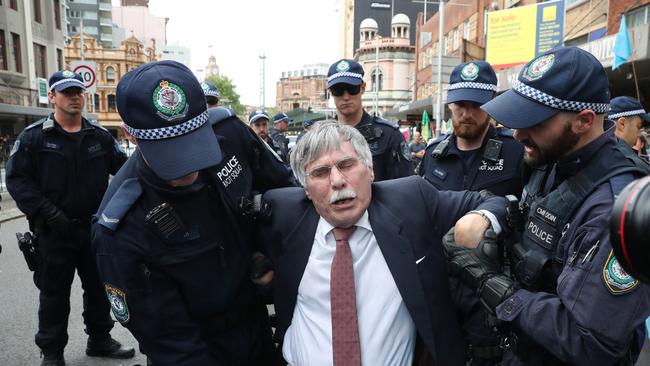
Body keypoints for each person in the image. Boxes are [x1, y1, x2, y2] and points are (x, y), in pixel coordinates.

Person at [444, 46, 650, 365]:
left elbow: (589, 341)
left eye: (534, 121)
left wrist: (492, 285)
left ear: (583, 121)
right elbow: (524, 206)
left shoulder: (614, 206)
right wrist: (490, 216)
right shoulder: (552, 158)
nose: (518, 133)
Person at [256, 120, 508, 365]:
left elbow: (495, 202)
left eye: (346, 164)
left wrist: (479, 220)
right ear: (306, 189)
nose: (337, 181)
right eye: (320, 172)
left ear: (370, 170)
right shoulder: (281, 214)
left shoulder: (411, 201)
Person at [92, 61, 278, 365]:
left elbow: (284, 193)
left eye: (193, 144)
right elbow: (171, 343)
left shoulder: (230, 134)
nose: (189, 167)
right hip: (198, 348)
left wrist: (269, 252)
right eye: (169, 153)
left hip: (258, 327)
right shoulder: (121, 227)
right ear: (131, 135)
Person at [6, 70, 132, 366]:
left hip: (93, 229)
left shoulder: (99, 137)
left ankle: (100, 339)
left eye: (78, 92)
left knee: (100, 289)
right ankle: (52, 352)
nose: (74, 97)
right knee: (54, 294)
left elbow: (126, 174)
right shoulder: (34, 138)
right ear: (52, 97)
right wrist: (46, 211)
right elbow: (17, 181)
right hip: (53, 232)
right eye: (66, 92)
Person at [418, 60, 525, 197]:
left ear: (493, 102)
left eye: (476, 105)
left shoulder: (516, 151)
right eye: (460, 104)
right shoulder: (433, 153)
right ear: (450, 104)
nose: (467, 114)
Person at [201, 82, 296, 197]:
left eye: (211, 101)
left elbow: (278, 173)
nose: (207, 107)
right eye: (202, 102)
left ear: (219, 102)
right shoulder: (190, 143)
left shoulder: (237, 131)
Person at [327, 59, 412, 181]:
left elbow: (405, 184)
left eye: (352, 89)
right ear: (330, 92)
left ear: (363, 88)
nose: (346, 97)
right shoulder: (322, 138)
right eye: (338, 90)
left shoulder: (388, 135)